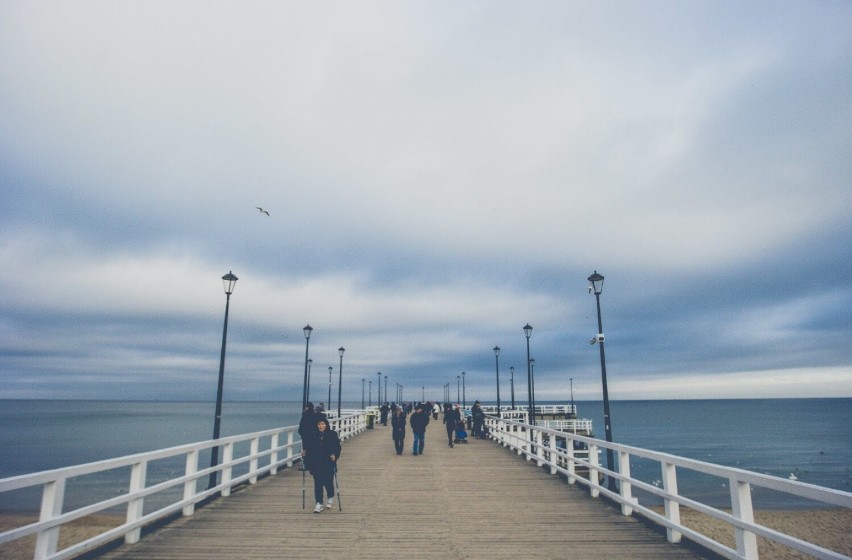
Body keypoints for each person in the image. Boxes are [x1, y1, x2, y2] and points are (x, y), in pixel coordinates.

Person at [302, 418, 341, 513]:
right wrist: (304, 452)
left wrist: (335, 455)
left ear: (326, 425)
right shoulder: (313, 435)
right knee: (318, 483)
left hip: (328, 462)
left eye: (322, 424)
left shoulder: (332, 434)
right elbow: (308, 446)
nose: (320, 426)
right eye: (319, 424)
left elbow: (337, 447)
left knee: (328, 482)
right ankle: (319, 503)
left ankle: (330, 496)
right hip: (316, 462)